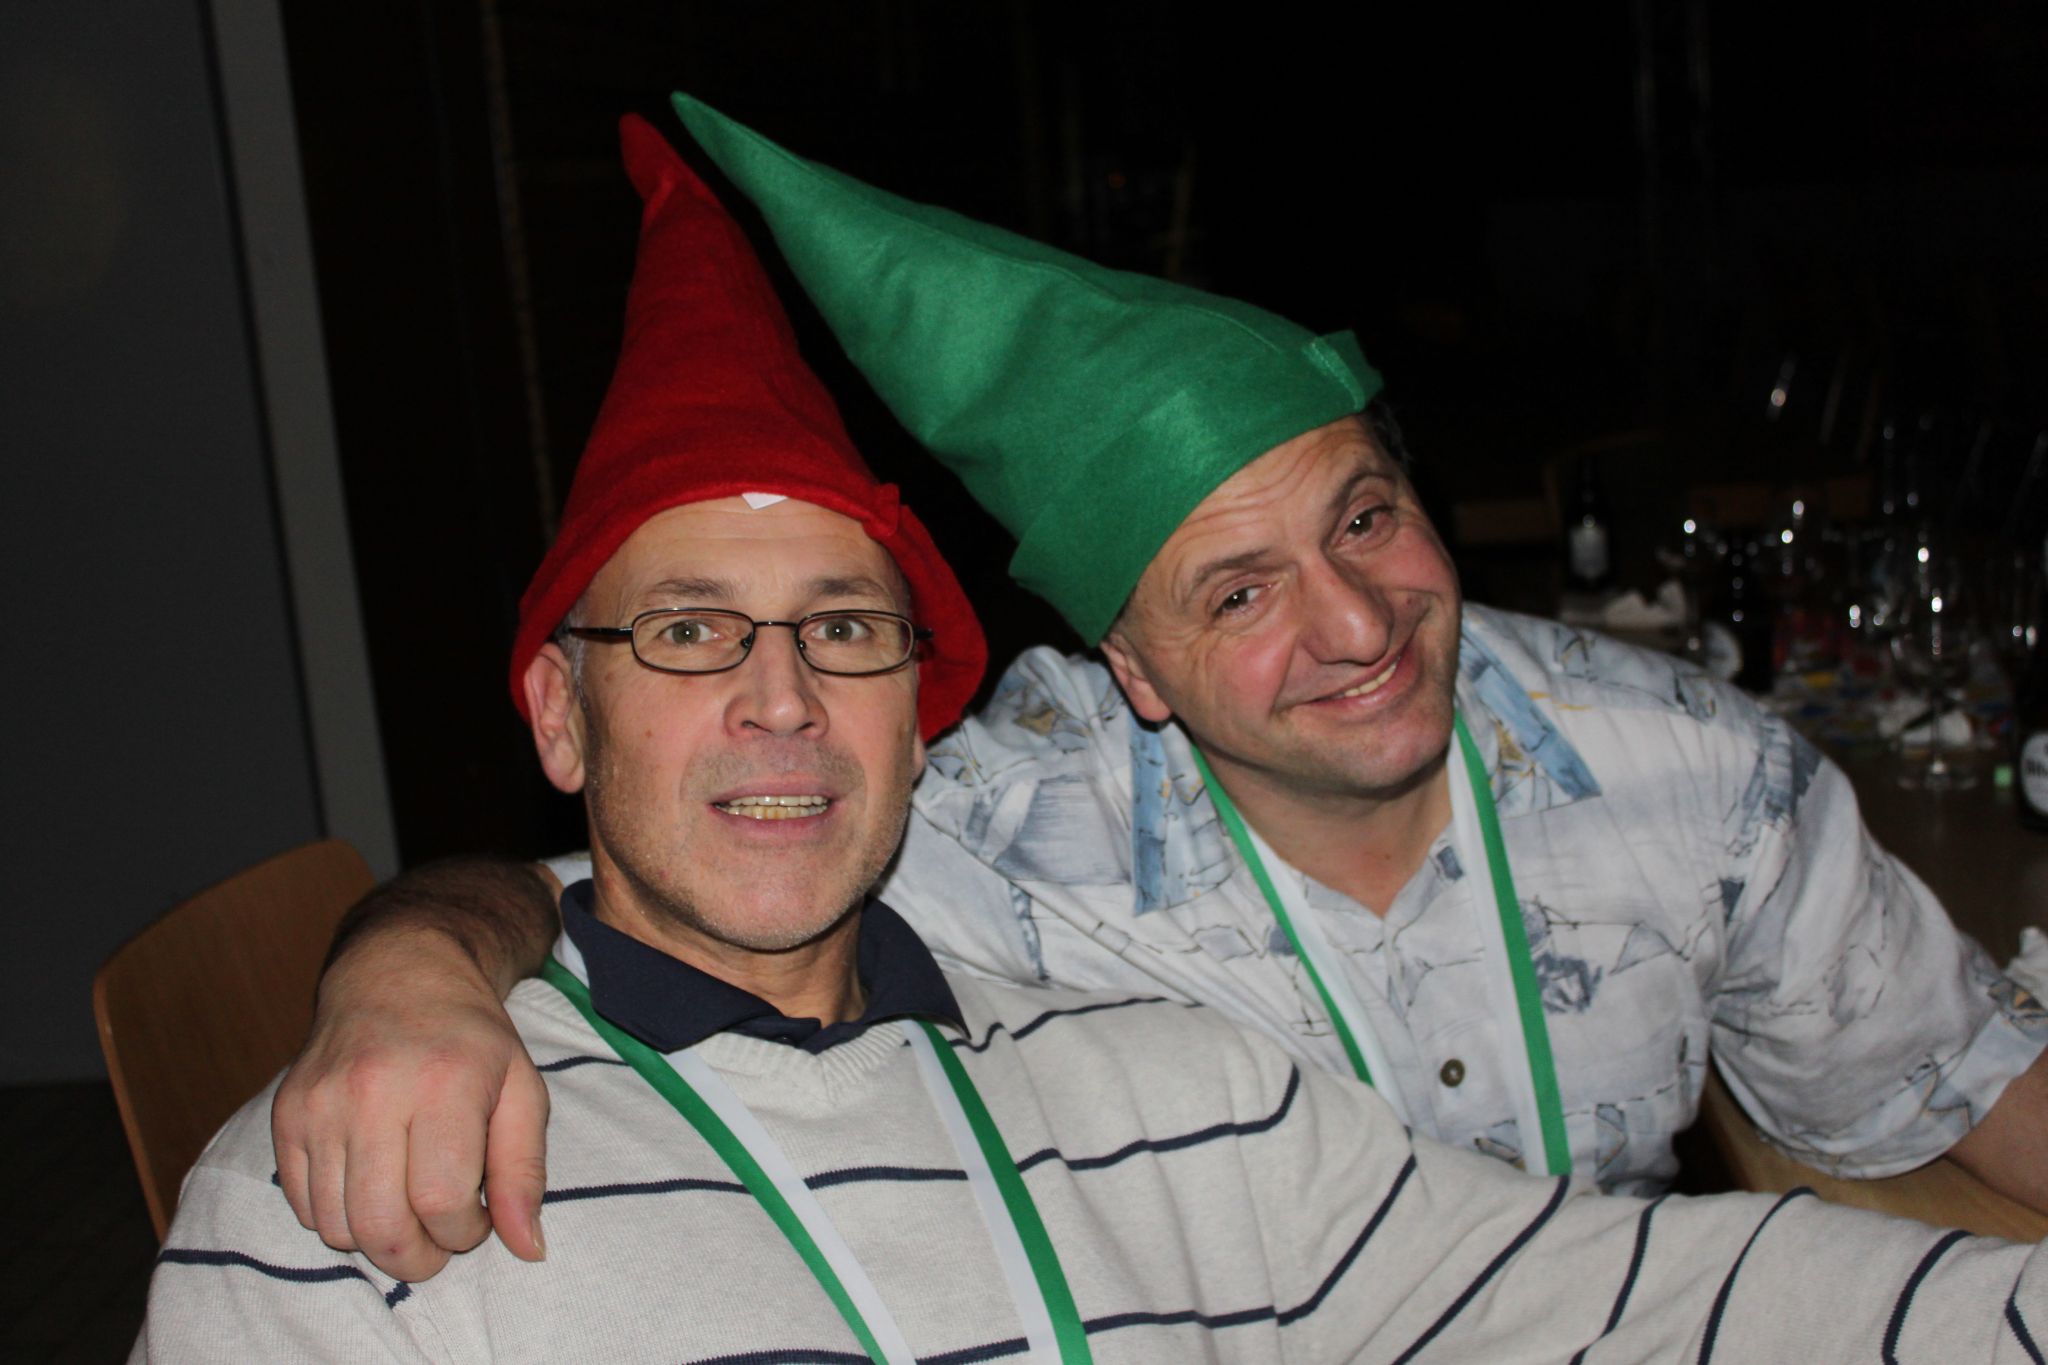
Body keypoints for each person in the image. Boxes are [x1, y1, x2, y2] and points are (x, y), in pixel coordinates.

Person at [271, 94, 2048, 1285]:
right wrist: (404, 966)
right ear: (1122, 664)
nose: (1359, 623)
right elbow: (623, 882)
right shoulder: (986, 827)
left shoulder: (1695, 773)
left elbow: (1959, 1080)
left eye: (1368, 515)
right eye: (1239, 590)